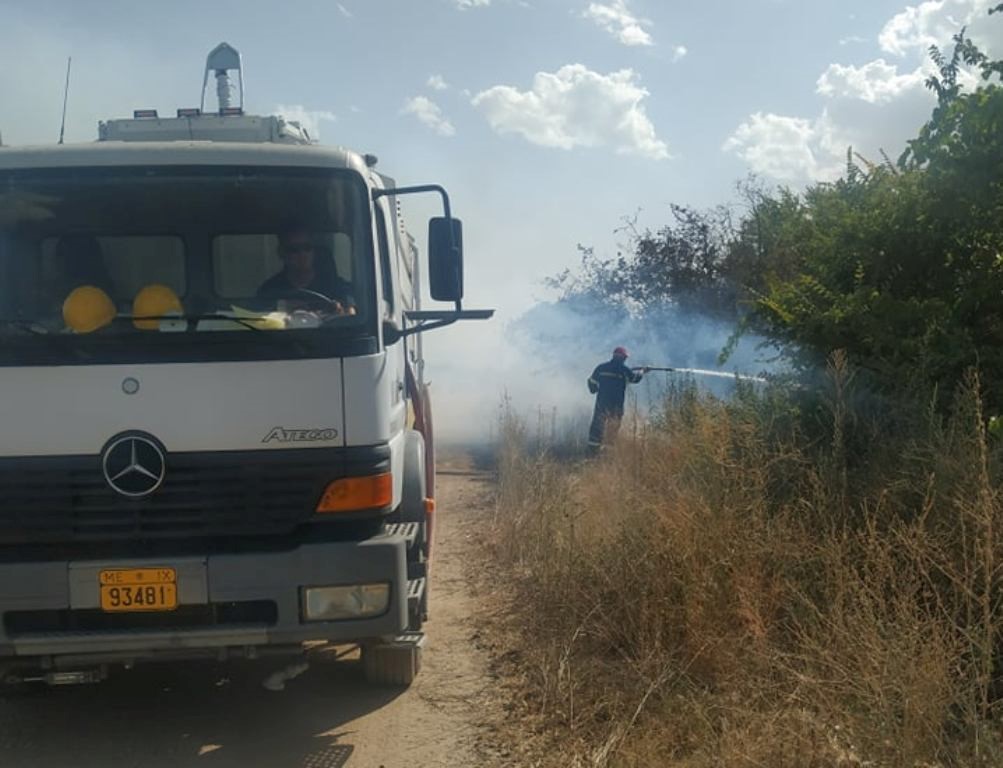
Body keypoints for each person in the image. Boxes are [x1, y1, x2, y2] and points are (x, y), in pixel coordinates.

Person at [257, 225, 356, 314]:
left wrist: (340, 310)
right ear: (281, 253)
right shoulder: (269, 290)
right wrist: (282, 308)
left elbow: (351, 310)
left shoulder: (336, 286)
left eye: (307, 247)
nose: (303, 254)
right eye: (294, 249)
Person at [587, 346, 647, 452]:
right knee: (613, 427)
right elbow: (635, 379)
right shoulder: (624, 370)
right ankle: (607, 451)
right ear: (623, 358)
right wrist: (642, 371)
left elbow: (591, 382)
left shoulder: (601, 367)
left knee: (597, 425)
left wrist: (594, 389)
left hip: (601, 403)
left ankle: (592, 450)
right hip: (616, 405)